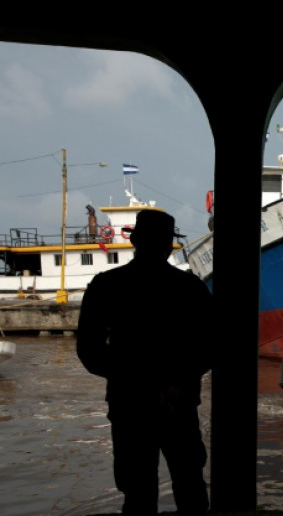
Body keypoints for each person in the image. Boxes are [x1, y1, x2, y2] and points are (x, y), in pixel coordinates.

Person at [76, 209, 213, 515]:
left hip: (129, 404)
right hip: (179, 402)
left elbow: (88, 350)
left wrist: (132, 379)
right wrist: (175, 382)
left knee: (137, 490)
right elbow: (210, 346)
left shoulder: (106, 285)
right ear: (170, 245)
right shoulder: (191, 289)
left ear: (135, 241)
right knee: (190, 485)